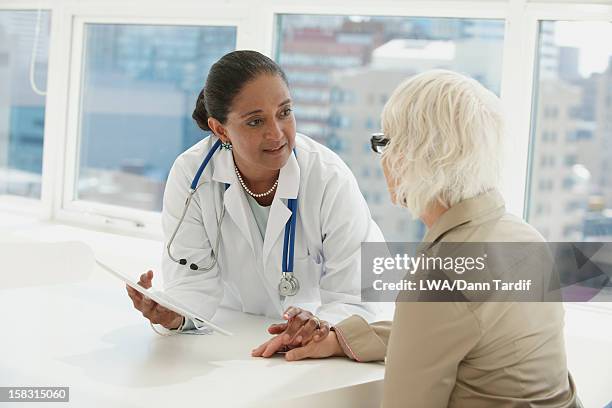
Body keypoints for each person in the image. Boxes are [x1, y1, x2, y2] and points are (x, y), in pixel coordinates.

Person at [253, 70, 577, 407]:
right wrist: (339, 339)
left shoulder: (442, 273)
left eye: (386, 142)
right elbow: (453, 330)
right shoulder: (521, 236)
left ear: (416, 155)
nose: (385, 159)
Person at [126, 50, 383, 344]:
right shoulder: (191, 176)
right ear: (220, 129)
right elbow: (191, 282)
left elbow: (357, 296)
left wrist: (320, 328)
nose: (277, 134)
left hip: (314, 346)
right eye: (255, 122)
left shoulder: (328, 178)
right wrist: (174, 313)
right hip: (229, 338)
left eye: (284, 113)